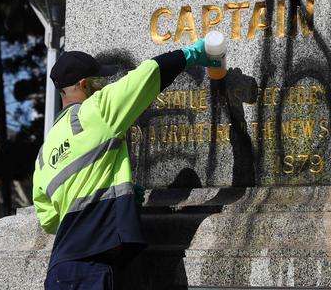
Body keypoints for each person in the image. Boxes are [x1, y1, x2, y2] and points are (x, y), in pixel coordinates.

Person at [32, 41, 218, 289]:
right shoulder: (94, 112)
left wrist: (119, 195)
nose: (104, 85)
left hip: (61, 269)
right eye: (100, 80)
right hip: (94, 265)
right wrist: (192, 54)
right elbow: (149, 73)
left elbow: (50, 220)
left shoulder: (46, 152)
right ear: (85, 84)